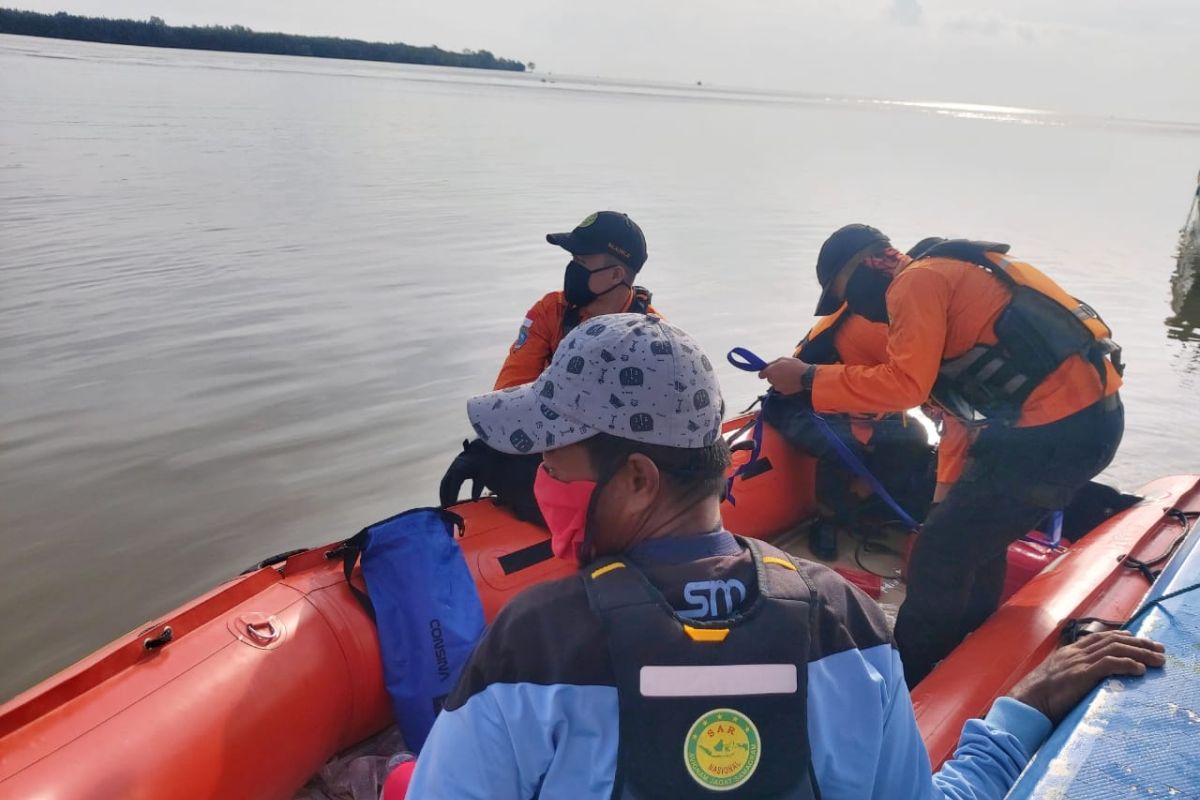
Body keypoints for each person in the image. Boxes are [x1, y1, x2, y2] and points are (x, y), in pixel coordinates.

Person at [407, 313, 1162, 799]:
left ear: (636, 480)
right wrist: (1024, 709)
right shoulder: (849, 624)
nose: (546, 486)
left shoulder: (531, 647)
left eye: (557, 465)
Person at [759, 224, 1125, 686]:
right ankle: (966, 650)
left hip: (1060, 430)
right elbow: (959, 421)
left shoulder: (917, 281)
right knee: (967, 541)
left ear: (873, 262)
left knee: (938, 557)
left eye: (844, 291)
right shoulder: (941, 296)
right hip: (1067, 424)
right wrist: (942, 502)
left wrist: (809, 378)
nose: (853, 306)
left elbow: (904, 386)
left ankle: (908, 684)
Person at [439, 211, 659, 520]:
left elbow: (651, 432)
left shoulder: (653, 340)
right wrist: (487, 446)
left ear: (616, 274)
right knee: (496, 459)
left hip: (618, 465)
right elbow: (511, 391)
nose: (572, 269)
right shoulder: (550, 312)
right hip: (554, 448)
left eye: (582, 262)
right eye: (572, 260)